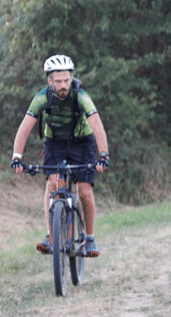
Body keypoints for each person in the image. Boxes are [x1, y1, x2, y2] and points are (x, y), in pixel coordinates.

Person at [10, 54, 110, 257]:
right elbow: (25, 128)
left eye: (67, 80)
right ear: (50, 81)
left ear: (71, 78)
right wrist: (16, 156)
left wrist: (103, 154)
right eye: (58, 81)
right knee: (53, 185)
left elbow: (97, 124)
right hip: (55, 144)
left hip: (82, 144)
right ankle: (51, 235)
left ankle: (89, 238)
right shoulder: (41, 98)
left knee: (84, 191)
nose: (63, 85)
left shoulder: (80, 96)